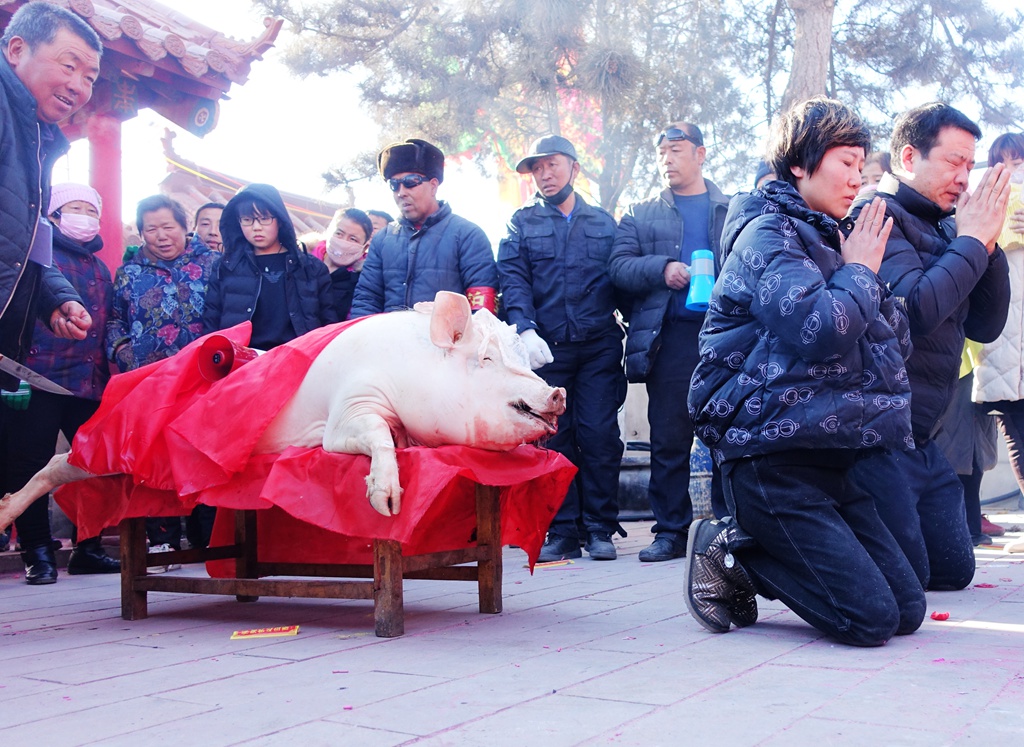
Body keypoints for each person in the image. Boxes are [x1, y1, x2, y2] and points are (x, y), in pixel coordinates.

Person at [685, 97, 925, 646]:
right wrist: (861, 272)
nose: (857, 178)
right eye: (845, 162)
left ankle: (760, 551)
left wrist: (864, 272)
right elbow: (821, 329)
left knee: (908, 610)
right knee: (870, 621)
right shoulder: (765, 235)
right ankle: (733, 547)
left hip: (833, 458)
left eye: (863, 165)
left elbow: (895, 342)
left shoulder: (837, 239)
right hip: (771, 459)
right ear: (800, 164)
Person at [848, 103, 1011, 591]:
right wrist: (971, 239)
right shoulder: (875, 215)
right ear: (909, 156)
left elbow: (986, 324)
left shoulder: (948, 226)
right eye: (953, 161)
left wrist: (988, 244)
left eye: (970, 165)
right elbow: (915, 311)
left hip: (922, 437)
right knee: (908, 578)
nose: (964, 178)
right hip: (873, 440)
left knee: (954, 572)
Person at [497, 135, 626, 561]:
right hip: (546, 350)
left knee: (600, 434)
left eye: (552, 165)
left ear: (573, 167)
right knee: (555, 438)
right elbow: (512, 279)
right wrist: (525, 329)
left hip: (598, 347)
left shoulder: (605, 224)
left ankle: (600, 528)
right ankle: (563, 530)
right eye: (537, 168)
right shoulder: (521, 223)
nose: (545, 174)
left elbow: (623, 281)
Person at [608, 122, 730, 562]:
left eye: (676, 151)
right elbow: (618, 267)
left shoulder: (730, 208)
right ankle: (671, 532)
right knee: (669, 439)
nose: (667, 160)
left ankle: (728, 526)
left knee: (728, 435)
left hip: (725, 338)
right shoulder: (641, 213)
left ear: (700, 154)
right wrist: (661, 269)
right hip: (671, 339)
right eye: (661, 153)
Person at [3, 183, 119, 583]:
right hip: (37, 377)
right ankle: (37, 551)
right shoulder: (33, 257)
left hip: (89, 382)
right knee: (28, 464)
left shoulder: (102, 267)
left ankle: (88, 546)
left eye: (91, 209)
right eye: (74, 208)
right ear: (52, 214)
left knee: (93, 464)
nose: (83, 216)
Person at [108, 194, 220, 564]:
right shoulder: (129, 273)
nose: (161, 235)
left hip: (207, 381)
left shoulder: (213, 264)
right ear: (141, 234)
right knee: (158, 459)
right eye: (151, 229)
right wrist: (125, 354)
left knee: (206, 456)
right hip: (152, 382)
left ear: (183, 227)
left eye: (167, 226)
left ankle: (210, 540)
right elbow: (113, 322)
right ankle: (163, 541)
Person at [0, 3, 100, 391]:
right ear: (17, 50)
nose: (79, 85)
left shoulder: (39, 141)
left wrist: (53, 297)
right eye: (68, 65)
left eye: (89, 77)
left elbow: (21, 240)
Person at [349, 138, 498, 317]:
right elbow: (366, 300)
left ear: (433, 185)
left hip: (449, 343)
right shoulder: (382, 239)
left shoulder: (469, 235)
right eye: (394, 185)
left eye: (411, 181)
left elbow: (482, 312)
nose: (401, 192)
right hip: (389, 342)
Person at [203, 183, 336, 349]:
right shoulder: (226, 267)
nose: (256, 227)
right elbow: (212, 320)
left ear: (279, 220)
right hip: (243, 362)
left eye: (265, 219)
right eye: (247, 220)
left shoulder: (310, 267)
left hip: (297, 358)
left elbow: (328, 322)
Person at [970, 132, 1024, 541]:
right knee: (1017, 433)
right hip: (1000, 344)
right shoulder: (979, 207)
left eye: (1019, 159)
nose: (1012, 168)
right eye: (1002, 161)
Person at [321, 207, 372, 322]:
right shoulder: (300, 262)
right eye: (339, 233)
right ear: (329, 231)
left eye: (353, 239)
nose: (343, 241)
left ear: (365, 247)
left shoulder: (363, 282)